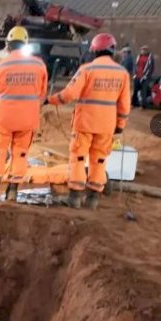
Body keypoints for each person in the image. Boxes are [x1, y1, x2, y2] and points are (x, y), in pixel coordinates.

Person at [47, 33, 131, 209]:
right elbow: (124, 104)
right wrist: (120, 126)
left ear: (95, 50)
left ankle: (75, 197)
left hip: (85, 122)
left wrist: (51, 99)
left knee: (78, 157)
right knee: (99, 159)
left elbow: (69, 94)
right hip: (107, 125)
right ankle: (93, 199)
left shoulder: (86, 69)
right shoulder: (122, 73)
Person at [0, 26, 47, 203]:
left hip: (5, 117)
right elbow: (42, 95)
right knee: (20, 154)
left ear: (8, 44)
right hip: (28, 118)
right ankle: (12, 192)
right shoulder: (39, 65)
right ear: (26, 44)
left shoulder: (1, 65)